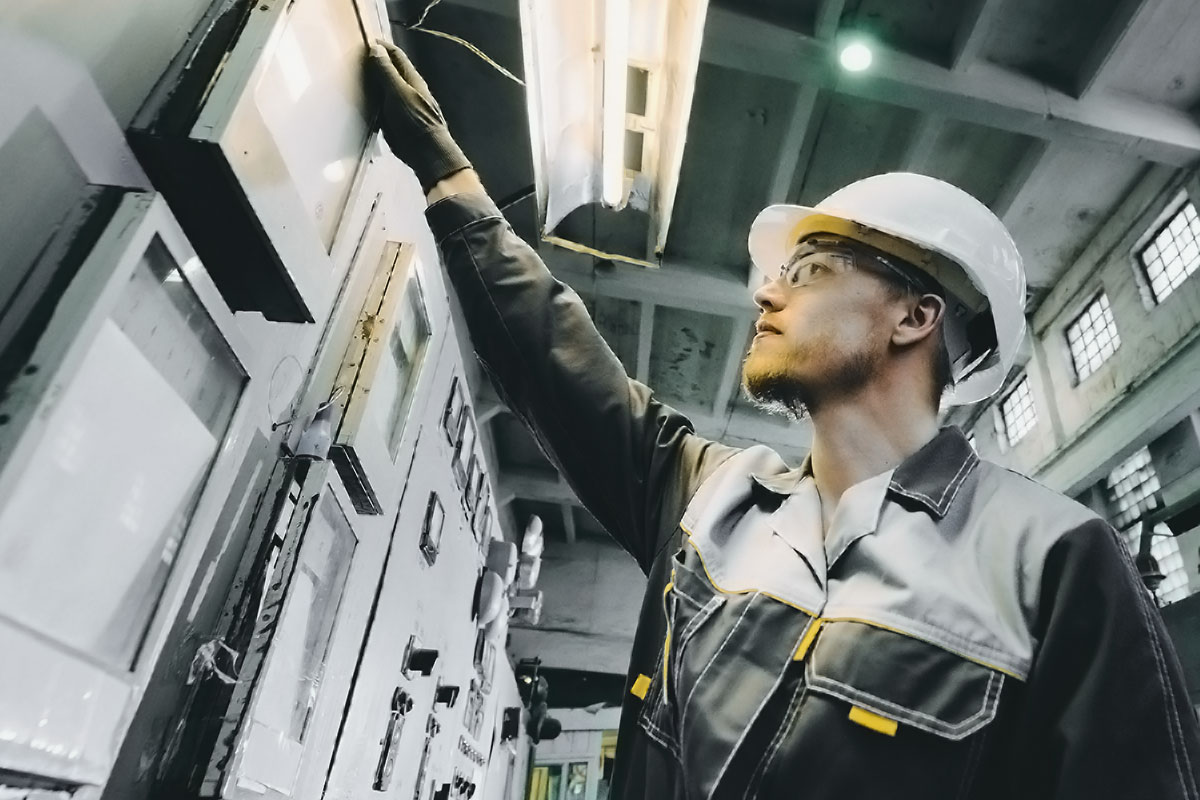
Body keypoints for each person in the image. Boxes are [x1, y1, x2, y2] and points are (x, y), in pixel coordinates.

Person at [366, 41, 1200, 799]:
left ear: (915, 317)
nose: (766, 291)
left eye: (809, 270)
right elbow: (554, 360)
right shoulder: (711, 497)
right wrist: (448, 180)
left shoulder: (1053, 564)